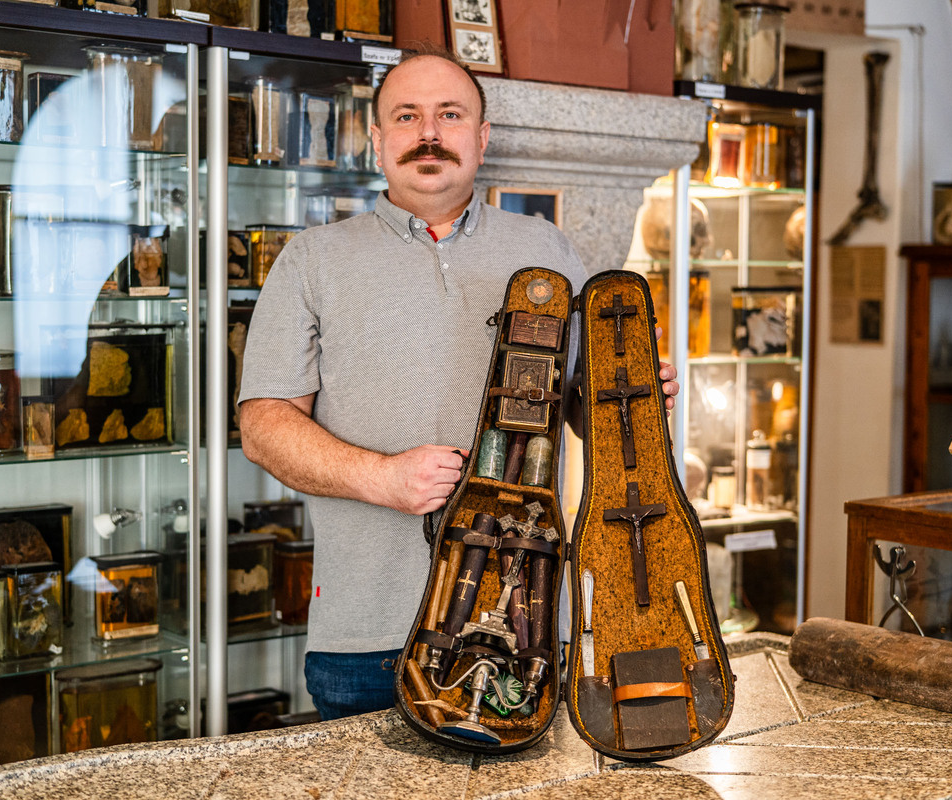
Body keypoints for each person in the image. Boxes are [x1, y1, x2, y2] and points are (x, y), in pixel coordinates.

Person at [238, 49, 678, 721]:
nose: (428, 134)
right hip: (368, 636)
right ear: (377, 139)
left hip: (529, 625)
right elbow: (264, 427)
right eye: (406, 116)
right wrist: (382, 479)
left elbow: (579, 410)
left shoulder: (548, 249)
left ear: (482, 136)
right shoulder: (311, 260)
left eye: (450, 115)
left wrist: (632, 402)